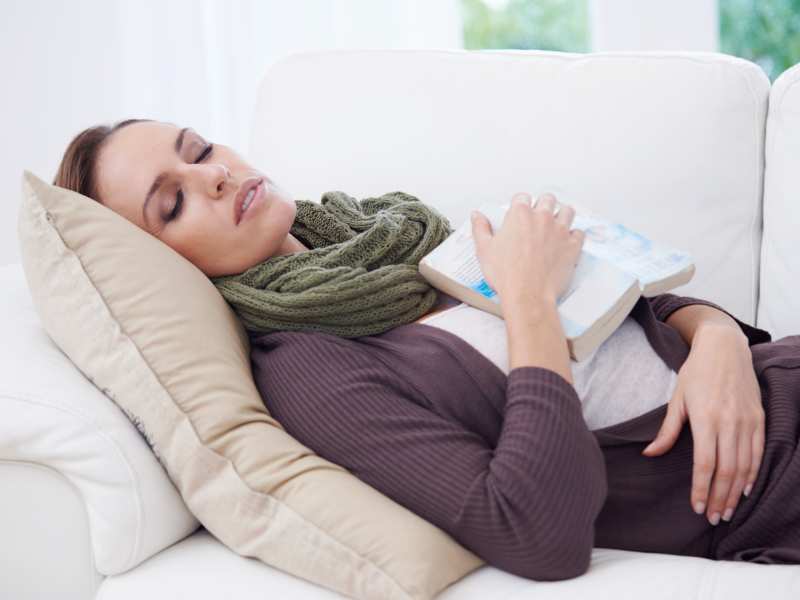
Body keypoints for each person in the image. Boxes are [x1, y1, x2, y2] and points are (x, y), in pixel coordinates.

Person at [53, 118, 800, 580]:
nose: (213, 174)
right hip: (773, 491)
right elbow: (537, 532)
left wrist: (719, 341)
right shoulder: (311, 372)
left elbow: (636, 306)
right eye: (173, 201)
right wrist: (528, 301)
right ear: (164, 263)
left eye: (200, 148)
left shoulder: (385, 235)